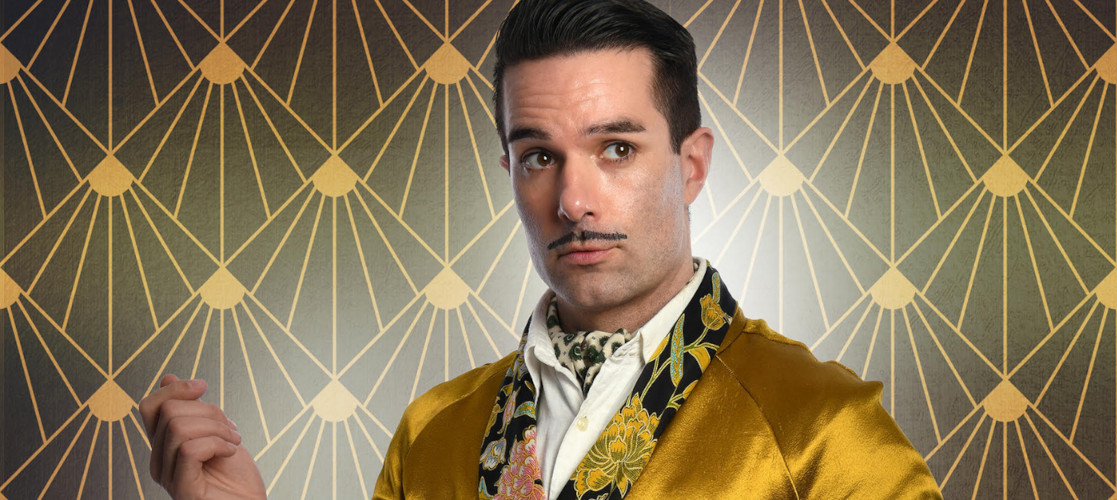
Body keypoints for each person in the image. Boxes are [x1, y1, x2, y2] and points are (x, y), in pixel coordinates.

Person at [138, 0, 942, 498]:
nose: (573, 201)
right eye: (538, 156)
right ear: (510, 172)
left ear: (691, 164)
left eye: (617, 149)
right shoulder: (435, 433)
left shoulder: (822, 428)